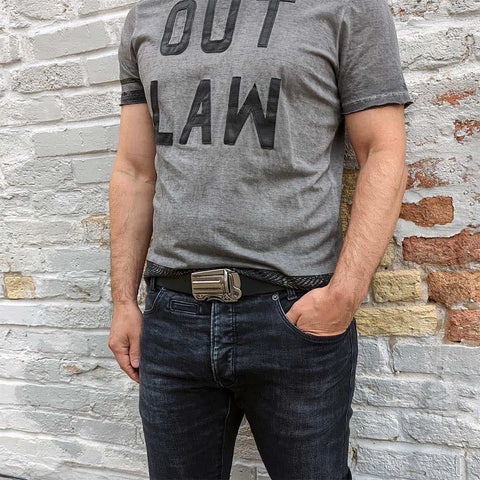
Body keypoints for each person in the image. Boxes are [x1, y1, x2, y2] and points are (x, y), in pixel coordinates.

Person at [108, 0, 413, 478]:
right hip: (172, 317)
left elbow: (384, 152)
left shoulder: (348, 7)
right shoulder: (147, 15)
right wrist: (123, 301)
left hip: (293, 316)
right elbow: (135, 170)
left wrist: (344, 296)